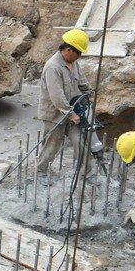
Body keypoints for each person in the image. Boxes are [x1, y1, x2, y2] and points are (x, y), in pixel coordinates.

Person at [36, 29, 92, 174]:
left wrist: (90, 94)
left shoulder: (73, 62)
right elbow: (57, 96)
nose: (79, 57)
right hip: (55, 115)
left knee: (80, 141)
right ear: (68, 50)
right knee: (52, 145)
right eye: (78, 54)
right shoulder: (52, 67)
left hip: (72, 111)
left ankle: (86, 173)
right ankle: (41, 171)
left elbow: (82, 81)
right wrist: (71, 114)